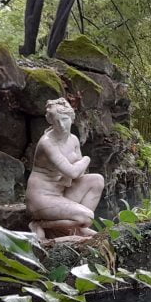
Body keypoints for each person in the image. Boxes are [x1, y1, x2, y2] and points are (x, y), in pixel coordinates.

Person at [25, 97, 104, 239]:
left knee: (97, 180)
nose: (61, 125)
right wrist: (87, 159)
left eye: (65, 119)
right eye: (56, 121)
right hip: (42, 197)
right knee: (87, 217)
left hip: (61, 191)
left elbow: (79, 174)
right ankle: (40, 225)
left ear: (72, 118)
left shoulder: (73, 139)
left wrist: (76, 167)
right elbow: (73, 172)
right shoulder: (47, 143)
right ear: (50, 121)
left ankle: (80, 229)